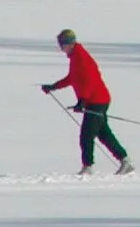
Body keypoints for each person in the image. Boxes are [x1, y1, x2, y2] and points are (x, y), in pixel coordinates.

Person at [41, 29, 134, 176]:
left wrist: (83, 100)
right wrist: (53, 86)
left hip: (97, 100)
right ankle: (125, 161)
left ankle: (88, 167)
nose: (60, 48)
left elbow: (91, 80)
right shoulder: (75, 57)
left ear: (70, 43)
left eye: (62, 44)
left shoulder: (81, 57)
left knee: (86, 134)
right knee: (103, 134)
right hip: (95, 100)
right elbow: (72, 78)